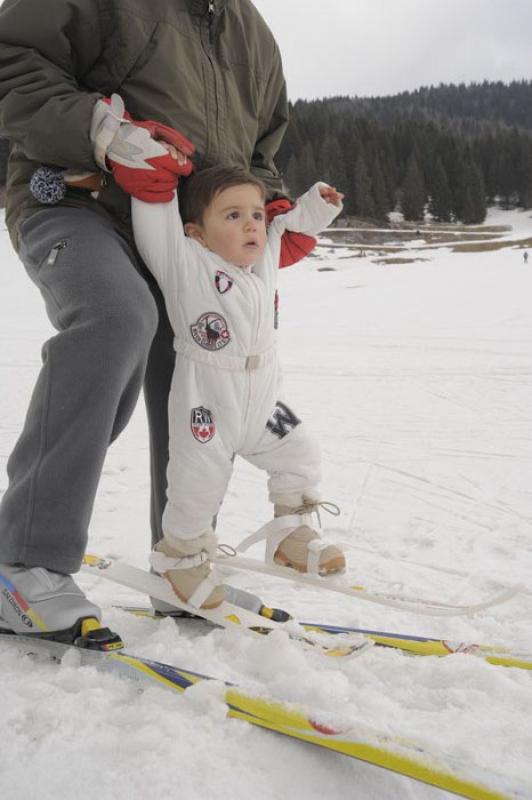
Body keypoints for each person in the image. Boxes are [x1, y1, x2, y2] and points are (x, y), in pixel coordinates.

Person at [0, 0, 297, 641]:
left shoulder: (253, 34)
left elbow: (260, 152)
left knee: (205, 361)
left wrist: (265, 215)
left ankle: (181, 565)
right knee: (117, 315)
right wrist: (103, 134)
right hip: (79, 200)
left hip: (190, 240)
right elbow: (12, 60)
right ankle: (21, 563)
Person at [132, 163, 346, 608]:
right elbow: (154, 215)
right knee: (197, 485)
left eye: (255, 214)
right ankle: (180, 563)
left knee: (301, 451)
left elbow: (287, 223)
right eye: (232, 216)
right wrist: (148, 166)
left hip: (263, 396)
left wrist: (317, 206)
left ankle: (291, 535)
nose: (251, 224)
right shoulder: (185, 262)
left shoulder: (262, 257)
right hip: (208, 401)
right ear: (197, 232)